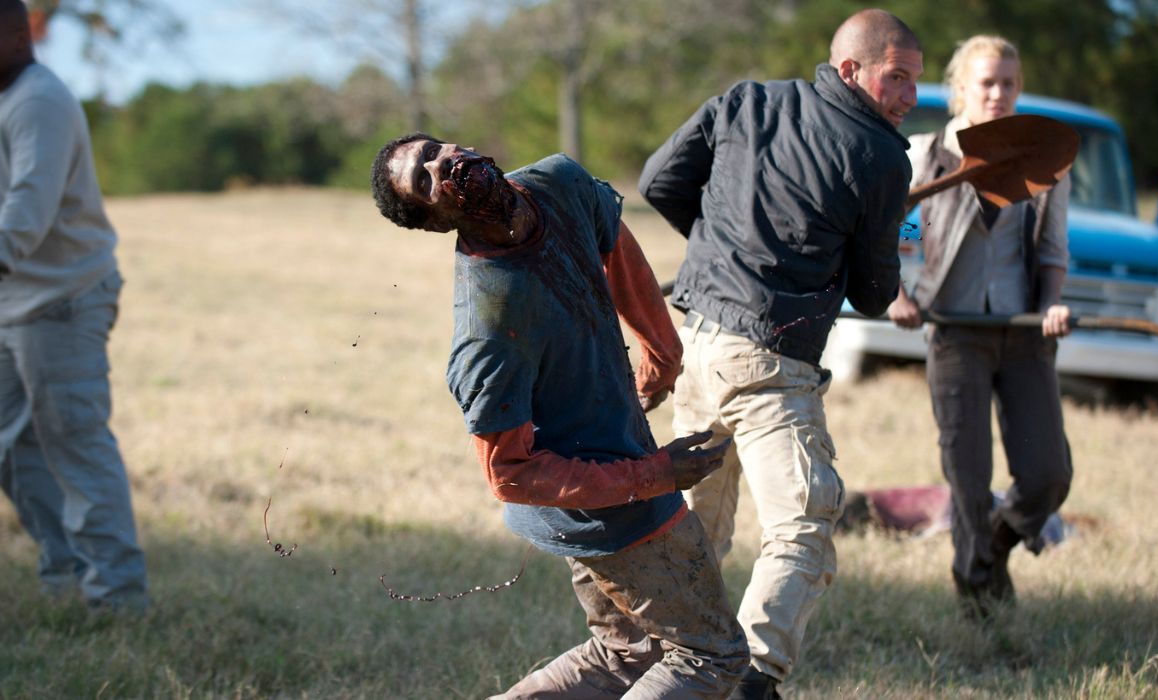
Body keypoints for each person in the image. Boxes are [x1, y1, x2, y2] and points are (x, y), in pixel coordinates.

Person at [370, 133, 749, 698]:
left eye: (434, 149)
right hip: (606, 506)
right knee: (711, 656)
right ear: (434, 220)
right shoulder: (489, 324)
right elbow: (510, 475)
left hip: (616, 481)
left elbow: (616, 248)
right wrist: (654, 477)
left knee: (625, 656)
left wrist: (662, 355)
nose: (441, 161)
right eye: (424, 179)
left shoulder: (560, 183)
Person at [639, 8, 922, 698]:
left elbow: (658, 182)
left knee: (694, 531)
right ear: (852, 69)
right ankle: (754, 680)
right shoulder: (884, 157)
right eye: (897, 78)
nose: (909, 96)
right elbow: (877, 289)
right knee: (804, 529)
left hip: (698, 351)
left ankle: (666, 664)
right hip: (770, 365)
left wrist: (721, 251)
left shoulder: (746, 101)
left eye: (916, 81)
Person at [0, 0, 147, 611]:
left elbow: (30, 201)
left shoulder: (39, 100)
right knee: (10, 448)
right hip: (16, 304)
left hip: (61, 300)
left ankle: (115, 598)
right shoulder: (9, 98)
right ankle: (65, 575)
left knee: (76, 448)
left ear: (18, 36)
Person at [886, 34, 1072, 619]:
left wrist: (1052, 305)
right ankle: (979, 597)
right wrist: (900, 290)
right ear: (961, 87)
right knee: (968, 474)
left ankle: (992, 544)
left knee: (1047, 476)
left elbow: (1052, 250)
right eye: (986, 82)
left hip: (1023, 333)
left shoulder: (1043, 161)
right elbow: (900, 230)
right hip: (954, 329)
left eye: (1008, 84)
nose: (998, 93)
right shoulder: (928, 153)